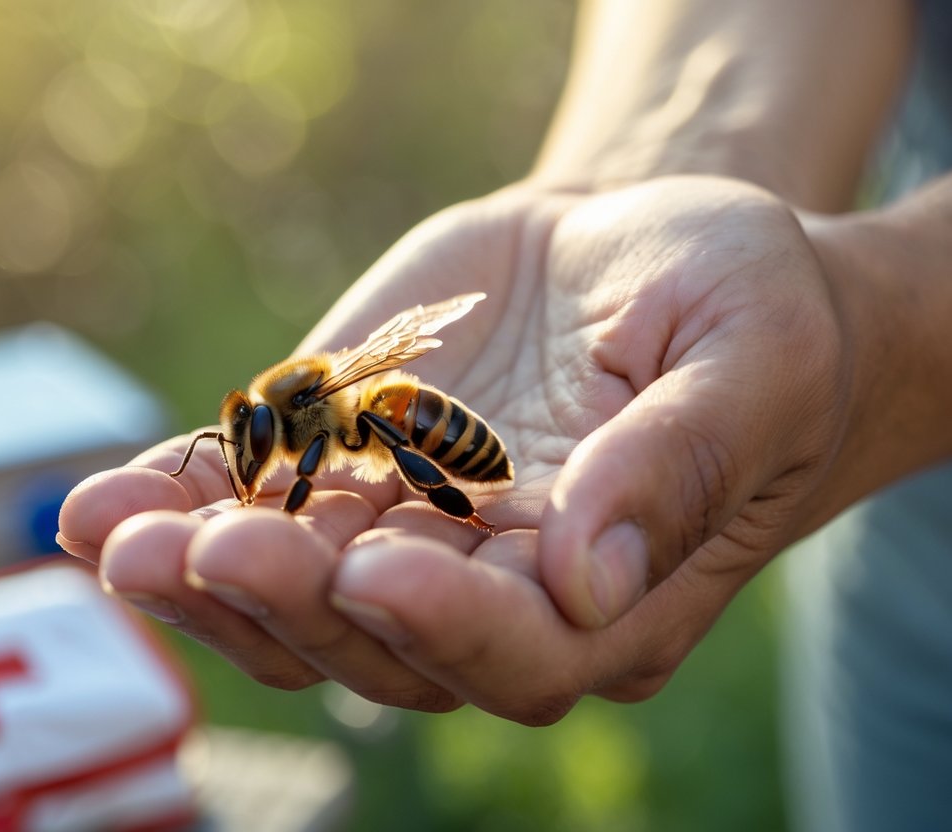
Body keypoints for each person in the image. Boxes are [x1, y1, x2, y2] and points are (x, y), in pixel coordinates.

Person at [57, 1, 952, 828]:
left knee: (402, 436)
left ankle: (465, 502)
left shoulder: (321, 420)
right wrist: (635, 182)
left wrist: (886, 317)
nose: (254, 462)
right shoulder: (296, 419)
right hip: (913, 564)